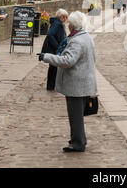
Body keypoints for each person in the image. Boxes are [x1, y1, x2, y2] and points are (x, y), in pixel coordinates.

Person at [39, 12, 97, 153]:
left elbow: (67, 61)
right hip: (83, 82)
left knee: (75, 116)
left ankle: (78, 143)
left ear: (72, 25)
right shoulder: (86, 37)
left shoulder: (77, 41)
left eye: (69, 23)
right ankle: (79, 140)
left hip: (77, 85)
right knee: (77, 116)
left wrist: (46, 57)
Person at [41, 9, 68, 90]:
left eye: (66, 17)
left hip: (53, 48)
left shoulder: (58, 23)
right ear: (59, 17)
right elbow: (50, 35)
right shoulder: (57, 24)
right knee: (54, 67)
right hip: (53, 49)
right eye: (63, 17)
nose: (65, 18)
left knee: (53, 67)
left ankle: (51, 85)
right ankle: (51, 86)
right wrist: (57, 46)